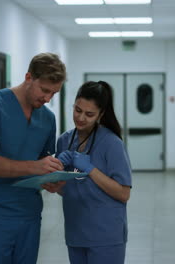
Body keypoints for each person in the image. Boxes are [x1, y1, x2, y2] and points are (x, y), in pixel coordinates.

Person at [0, 52, 66, 263]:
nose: (48, 99)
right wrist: (36, 168)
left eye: (54, 94)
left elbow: (42, 166)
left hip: (29, 215)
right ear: (28, 78)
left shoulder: (47, 118)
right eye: (45, 90)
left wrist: (51, 180)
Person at [43, 80, 132, 264]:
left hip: (105, 235)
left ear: (101, 114)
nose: (81, 118)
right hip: (76, 232)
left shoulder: (111, 143)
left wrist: (90, 169)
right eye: (77, 110)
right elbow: (67, 188)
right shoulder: (64, 141)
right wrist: (55, 185)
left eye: (89, 114)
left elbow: (123, 193)